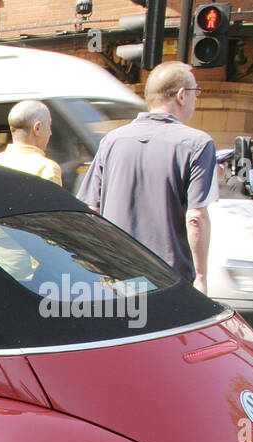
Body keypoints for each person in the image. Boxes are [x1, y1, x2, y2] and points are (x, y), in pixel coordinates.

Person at [77, 61, 215, 293]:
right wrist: (201, 277)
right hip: (167, 277)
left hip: (115, 273)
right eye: (195, 93)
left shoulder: (112, 140)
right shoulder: (197, 144)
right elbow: (196, 218)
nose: (195, 99)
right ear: (181, 95)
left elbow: (91, 209)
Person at [0, 100, 63, 186]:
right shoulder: (47, 168)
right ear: (37, 128)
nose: (50, 132)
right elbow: (52, 199)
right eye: (49, 126)